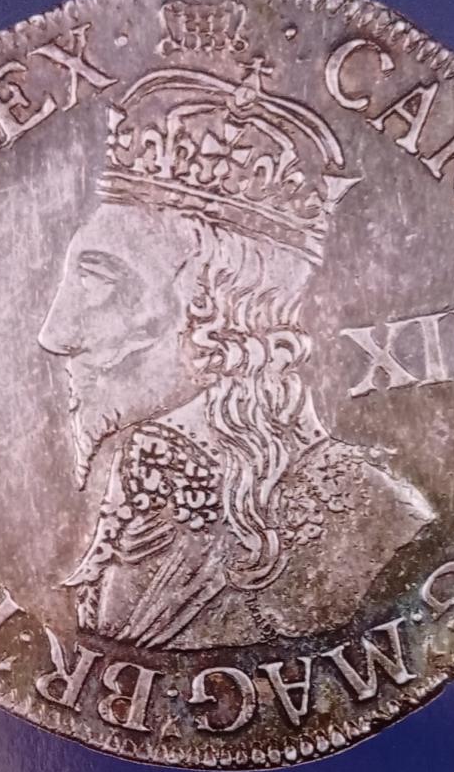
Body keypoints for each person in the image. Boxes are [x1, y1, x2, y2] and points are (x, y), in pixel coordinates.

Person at [37, 60, 433, 649]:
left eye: (100, 281)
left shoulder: (371, 520)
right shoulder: (139, 484)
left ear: (219, 315)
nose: (53, 334)